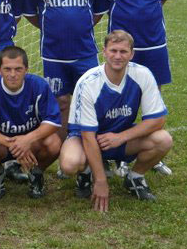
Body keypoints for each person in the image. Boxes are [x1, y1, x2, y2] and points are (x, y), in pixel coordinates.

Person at [97, 0, 173, 175]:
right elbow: (105, 0)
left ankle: (152, 151)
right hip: (120, 45)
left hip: (154, 41)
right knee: (117, 97)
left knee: (153, 97)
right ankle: (117, 153)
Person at [59, 30, 173, 211]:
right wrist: (101, 181)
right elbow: (87, 136)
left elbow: (158, 120)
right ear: (104, 52)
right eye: (113, 51)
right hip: (87, 138)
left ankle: (135, 178)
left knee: (163, 140)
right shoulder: (88, 82)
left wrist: (121, 137)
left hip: (120, 138)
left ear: (132, 54)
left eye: (123, 51)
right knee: (69, 163)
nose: (118, 56)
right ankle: (86, 173)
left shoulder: (143, 74)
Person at [23, 0, 106, 142]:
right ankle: (62, 150)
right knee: (60, 103)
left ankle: (91, 151)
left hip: (85, 52)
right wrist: (50, 27)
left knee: (90, 101)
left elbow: (98, 11)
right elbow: (30, 13)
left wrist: (81, 25)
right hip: (53, 54)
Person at [0, 46, 62, 199]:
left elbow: (53, 122)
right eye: (7, 69)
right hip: (1, 145)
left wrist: (27, 140)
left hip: (32, 144)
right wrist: (14, 144)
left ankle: (36, 173)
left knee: (54, 143)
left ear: (26, 69)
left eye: (18, 69)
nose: (13, 74)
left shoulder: (39, 86)